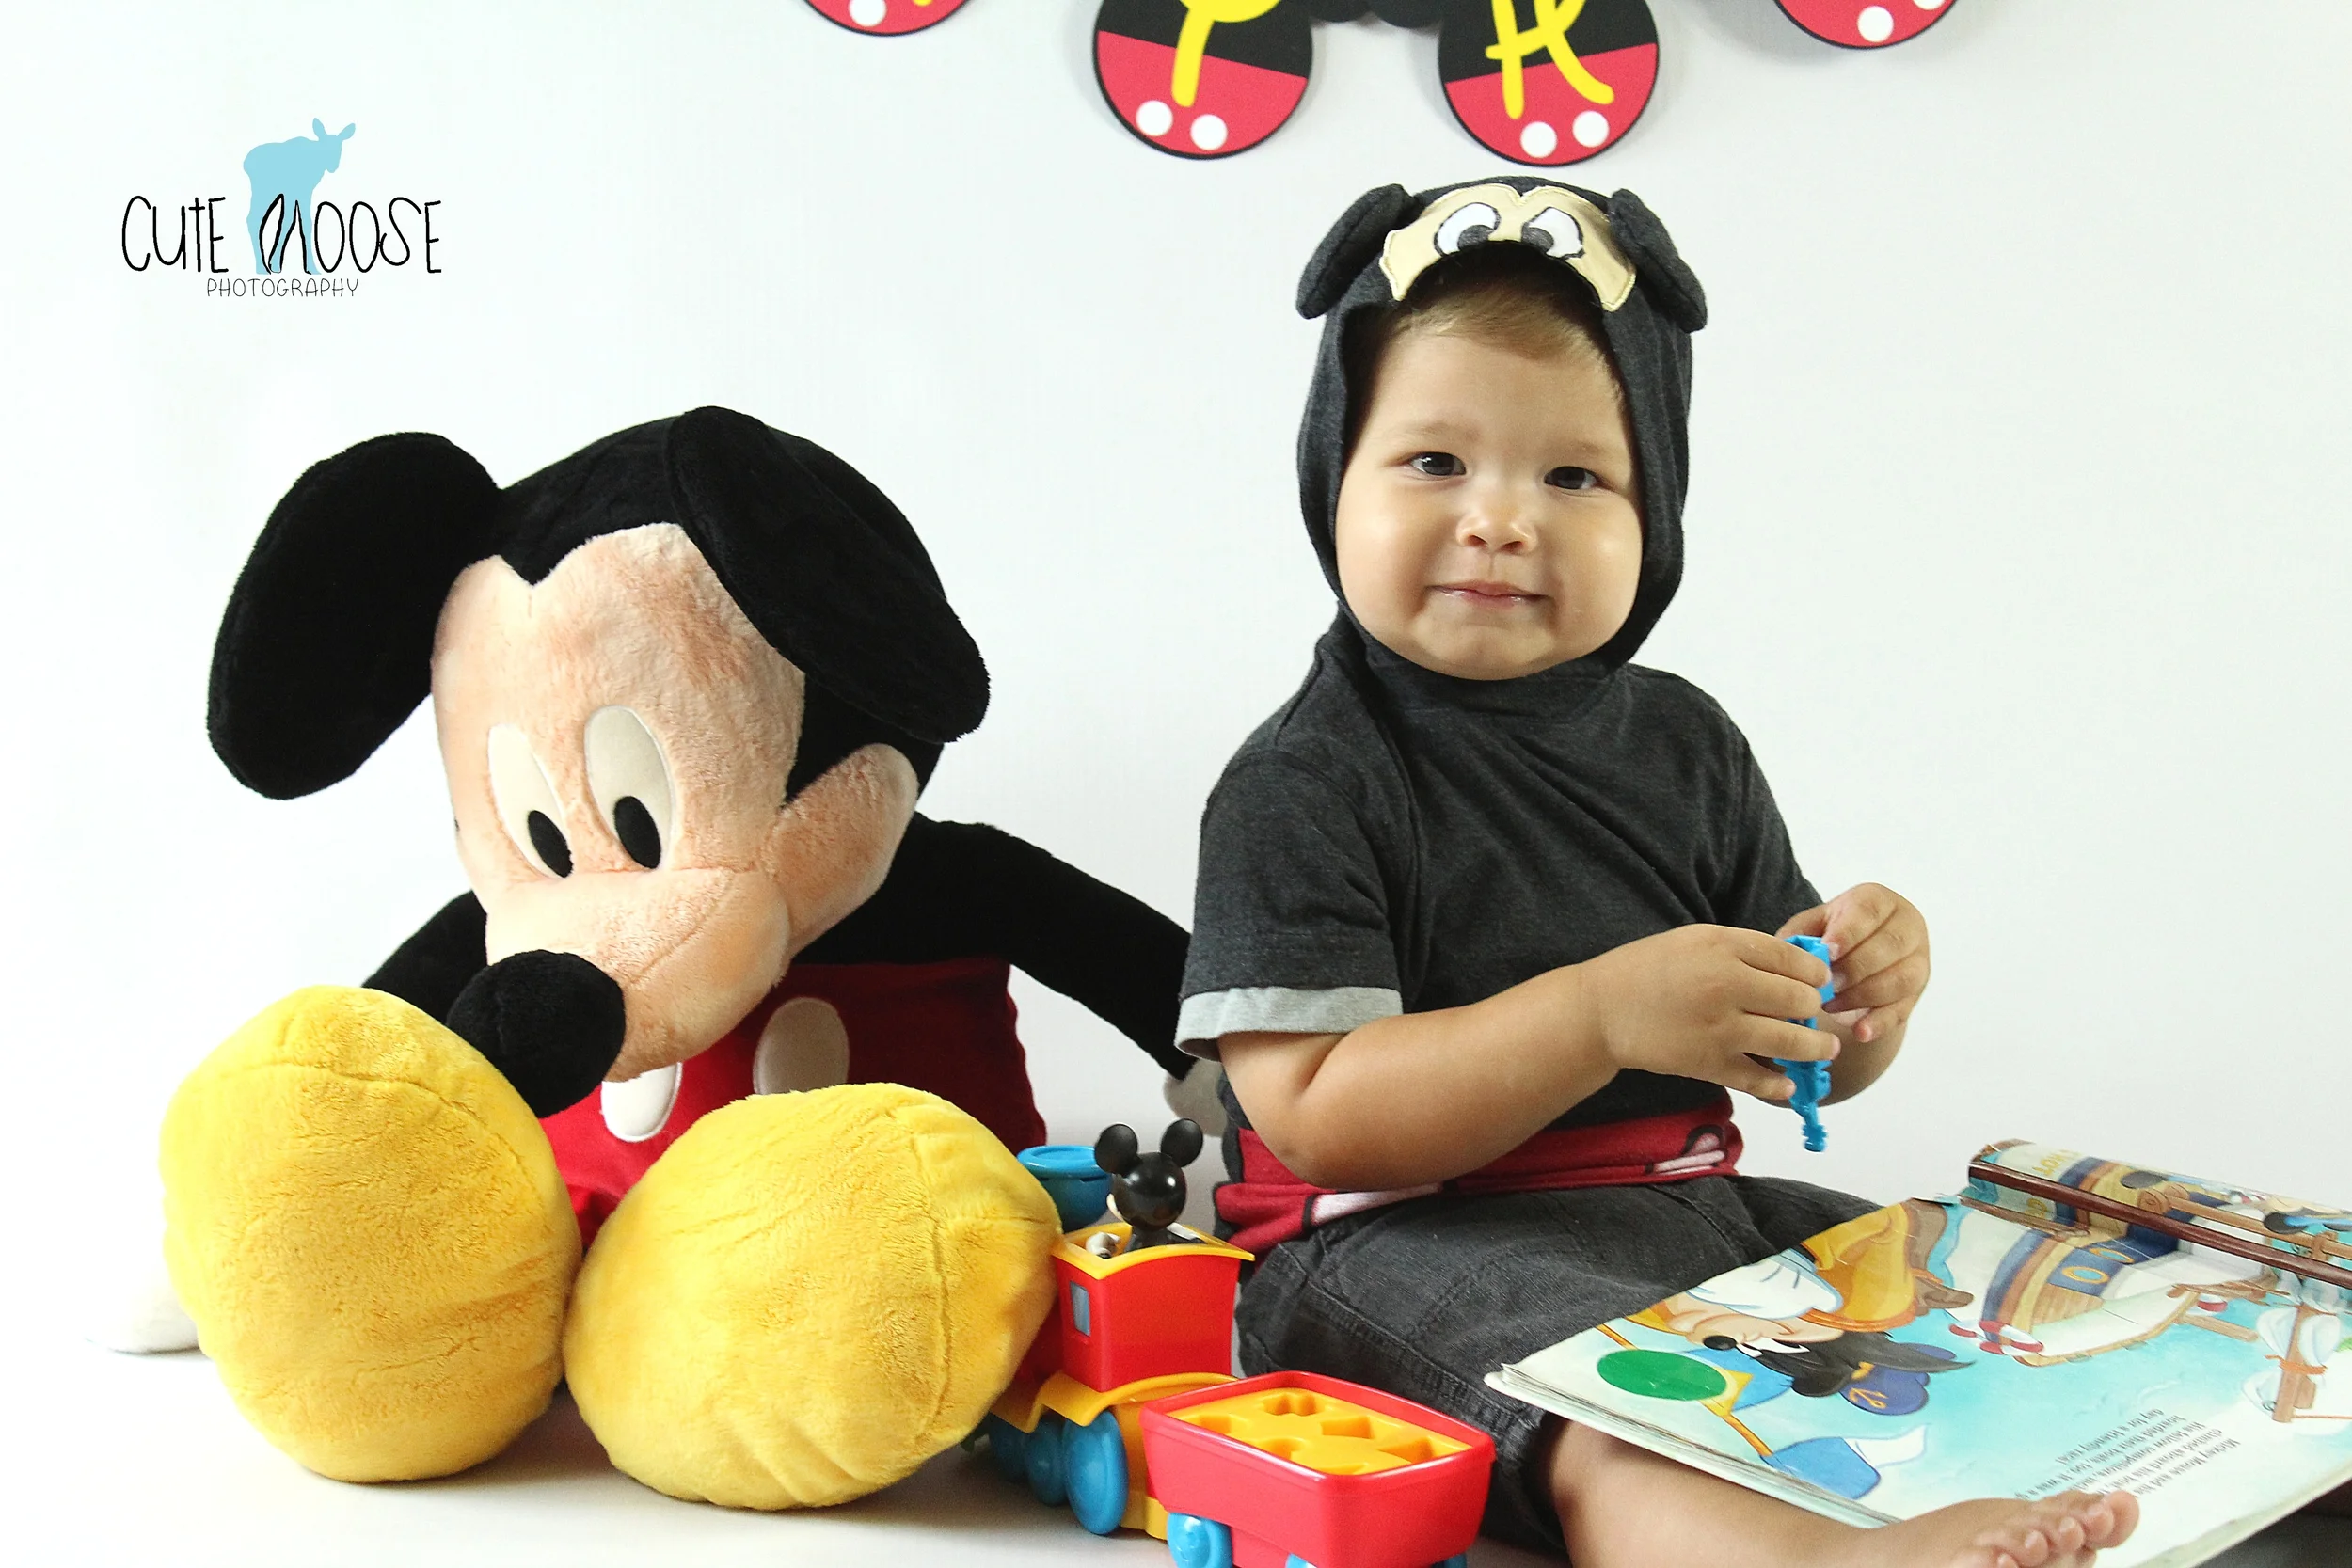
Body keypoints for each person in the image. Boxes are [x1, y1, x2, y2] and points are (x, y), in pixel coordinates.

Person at [1177, 179, 2141, 1568]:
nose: (1502, 519)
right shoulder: (1307, 778)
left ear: (1657, 513)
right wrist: (1598, 1017)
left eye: (1573, 478)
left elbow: (1802, 1057)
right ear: (1335, 478)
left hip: (1683, 1208)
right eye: (1435, 461)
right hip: (1401, 1247)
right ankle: (1807, 1560)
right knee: (1609, 1410)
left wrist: (1866, 994)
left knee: (1967, 1286)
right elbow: (1318, 1116)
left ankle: (2209, 1453)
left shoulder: (1685, 744)